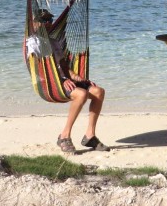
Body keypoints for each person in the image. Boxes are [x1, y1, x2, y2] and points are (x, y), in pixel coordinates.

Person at [28, 8, 110, 153]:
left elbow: (64, 66)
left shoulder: (54, 42)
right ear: (34, 24)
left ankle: (89, 135)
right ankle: (64, 136)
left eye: (49, 20)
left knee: (98, 92)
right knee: (81, 94)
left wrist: (77, 77)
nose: (47, 23)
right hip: (48, 83)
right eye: (43, 21)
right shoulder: (33, 42)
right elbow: (38, 67)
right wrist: (61, 80)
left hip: (63, 80)